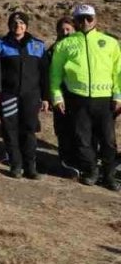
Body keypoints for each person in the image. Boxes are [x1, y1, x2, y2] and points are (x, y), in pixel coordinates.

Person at [48, 4, 120, 190]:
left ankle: (109, 175)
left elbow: (118, 71)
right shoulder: (64, 44)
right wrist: (57, 97)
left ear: (96, 19)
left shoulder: (109, 42)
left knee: (108, 141)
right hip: (77, 99)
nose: (85, 22)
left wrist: (118, 95)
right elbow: (55, 74)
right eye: (81, 19)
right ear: (75, 21)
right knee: (82, 139)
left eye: (89, 18)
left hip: (104, 100)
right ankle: (91, 171)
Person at [0, 12, 47, 179]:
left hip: (31, 96)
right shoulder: (0, 44)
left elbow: (44, 74)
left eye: (22, 23)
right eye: (15, 23)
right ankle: (15, 165)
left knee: (29, 130)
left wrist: (46, 97)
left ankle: (30, 166)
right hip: (8, 95)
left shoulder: (37, 45)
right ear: (9, 25)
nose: (18, 26)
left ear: (26, 25)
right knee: (10, 130)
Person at [47, 16, 80, 176]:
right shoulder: (53, 49)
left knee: (78, 129)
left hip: (78, 95)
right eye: (62, 30)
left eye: (68, 29)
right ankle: (65, 161)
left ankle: (81, 161)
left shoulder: (81, 48)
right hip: (60, 94)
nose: (65, 33)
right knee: (62, 129)